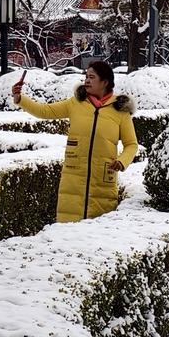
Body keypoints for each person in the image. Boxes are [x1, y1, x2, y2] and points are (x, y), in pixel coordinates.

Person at [13, 59, 138, 223]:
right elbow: (45, 111)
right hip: (73, 179)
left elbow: (131, 144)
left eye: (92, 77)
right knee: (69, 229)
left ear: (105, 82)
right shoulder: (75, 103)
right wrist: (20, 99)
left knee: (98, 231)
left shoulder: (120, 111)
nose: (87, 81)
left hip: (102, 182)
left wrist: (122, 161)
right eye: (86, 76)